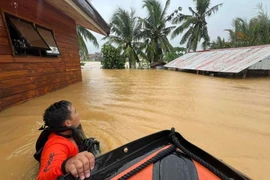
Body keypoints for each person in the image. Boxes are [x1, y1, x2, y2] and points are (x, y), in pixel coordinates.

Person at [34, 100, 98, 180]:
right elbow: (42, 177)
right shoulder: (56, 145)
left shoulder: (70, 130)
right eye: (75, 112)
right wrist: (65, 165)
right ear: (68, 123)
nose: (78, 114)